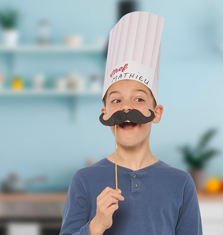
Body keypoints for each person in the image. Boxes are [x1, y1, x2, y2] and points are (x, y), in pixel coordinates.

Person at [59, 11, 203, 235]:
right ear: (105, 114)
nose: (126, 108)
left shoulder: (181, 183)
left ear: (156, 113)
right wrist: (97, 225)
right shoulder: (83, 180)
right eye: (117, 100)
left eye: (138, 99)